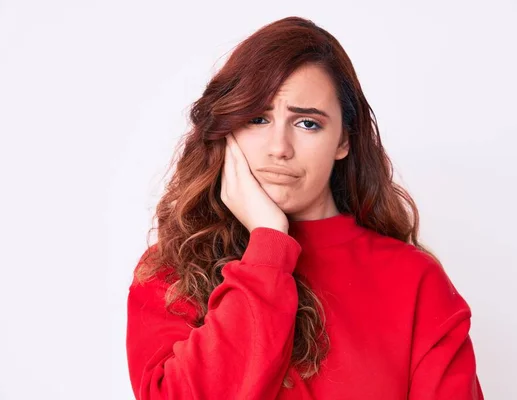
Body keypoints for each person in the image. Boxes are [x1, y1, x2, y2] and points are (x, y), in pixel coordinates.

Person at [125, 16, 484, 400]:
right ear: (226, 130)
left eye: (307, 123)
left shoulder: (415, 281)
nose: (279, 147)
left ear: (343, 140)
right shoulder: (171, 271)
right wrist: (267, 247)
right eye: (257, 118)